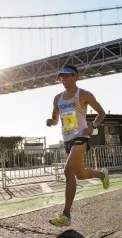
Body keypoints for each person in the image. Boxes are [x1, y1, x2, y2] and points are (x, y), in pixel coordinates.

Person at [46, 64, 110, 226]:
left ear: (76, 77)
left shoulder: (84, 95)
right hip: (68, 140)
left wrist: (92, 127)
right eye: (62, 76)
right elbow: (55, 117)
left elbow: (101, 113)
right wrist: (52, 122)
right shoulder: (57, 98)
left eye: (67, 75)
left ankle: (66, 215)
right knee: (80, 174)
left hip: (81, 137)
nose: (64, 79)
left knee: (68, 171)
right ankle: (101, 174)